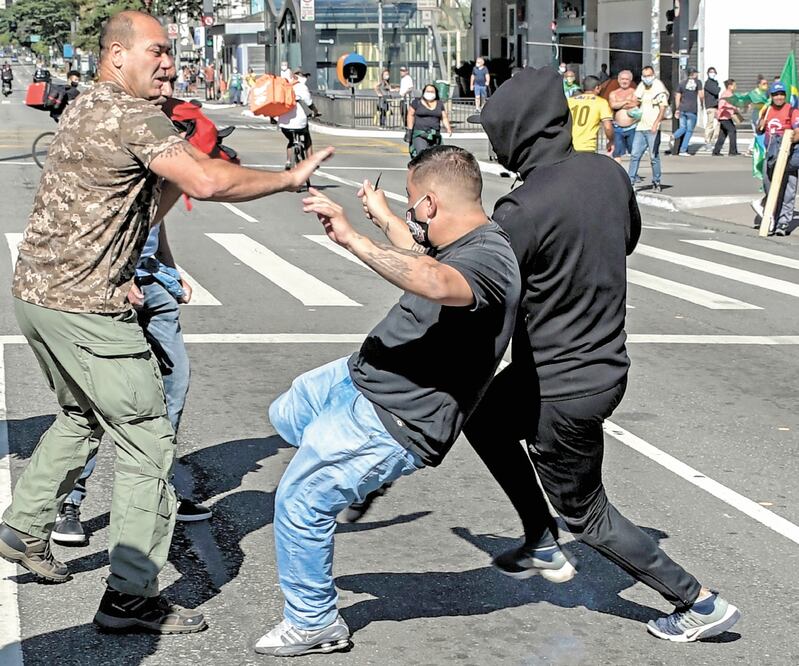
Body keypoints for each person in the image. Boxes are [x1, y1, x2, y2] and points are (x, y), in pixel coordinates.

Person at [0, 10, 332, 634]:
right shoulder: (132, 116)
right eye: (156, 51)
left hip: (38, 295)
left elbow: (122, 200)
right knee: (147, 437)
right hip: (84, 305)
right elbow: (204, 181)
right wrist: (288, 177)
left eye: (171, 53)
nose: (169, 64)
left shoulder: (85, 105)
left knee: (79, 417)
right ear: (116, 53)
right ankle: (130, 597)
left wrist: (127, 261)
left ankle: (23, 527)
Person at [467, 65, 741, 644]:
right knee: (487, 418)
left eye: (497, 139)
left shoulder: (521, 208)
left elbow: (484, 284)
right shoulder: (608, 174)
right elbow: (627, 239)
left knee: (586, 514)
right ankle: (539, 534)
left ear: (517, 135)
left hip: (561, 387)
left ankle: (698, 602)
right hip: (598, 366)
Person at [255, 145, 520, 656]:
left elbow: (437, 280)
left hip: (394, 418)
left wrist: (353, 240)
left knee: (299, 502)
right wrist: (379, 221)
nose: (410, 215)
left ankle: (314, 623)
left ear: (430, 203)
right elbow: (426, 258)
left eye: (410, 205)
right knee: (285, 413)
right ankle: (341, 473)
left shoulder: (490, 257)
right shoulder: (462, 241)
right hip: (358, 377)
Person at [50, 70, 219, 546]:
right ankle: (69, 503)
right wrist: (117, 277)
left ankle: (157, 490)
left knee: (172, 386)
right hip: (107, 288)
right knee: (99, 401)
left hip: (152, 283)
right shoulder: (107, 135)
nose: (167, 92)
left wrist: (170, 265)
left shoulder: (159, 142)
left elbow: (152, 218)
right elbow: (79, 224)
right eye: (160, 83)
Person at [756, 81, 799, 236]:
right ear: (771, 96)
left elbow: (798, 131)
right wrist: (760, 125)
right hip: (770, 155)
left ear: (785, 96)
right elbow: (760, 131)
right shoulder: (767, 110)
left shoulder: (792, 111)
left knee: (788, 190)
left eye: (781, 94)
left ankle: (783, 222)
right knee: (770, 188)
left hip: (788, 154)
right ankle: (770, 218)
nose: (779, 97)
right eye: (775, 95)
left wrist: (787, 141)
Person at [627, 65, 669, 191]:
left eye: (649, 75)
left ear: (653, 75)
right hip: (640, 126)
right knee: (635, 155)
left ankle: (656, 181)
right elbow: (635, 98)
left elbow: (663, 108)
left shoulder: (659, 88)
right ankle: (631, 182)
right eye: (644, 76)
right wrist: (632, 107)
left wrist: (656, 123)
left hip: (652, 128)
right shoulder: (642, 86)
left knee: (653, 156)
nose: (646, 78)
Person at [278, 70, 318, 169]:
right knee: (307, 136)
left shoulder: (282, 86)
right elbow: (309, 103)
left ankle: (288, 161)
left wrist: (273, 118)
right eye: (304, 76)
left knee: (291, 140)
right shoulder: (301, 87)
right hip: (299, 121)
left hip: (284, 122)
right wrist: (315, 111)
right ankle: (311, 161)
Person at [567, 75, 614, 154]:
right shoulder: (601, 102)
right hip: (587, 146)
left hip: (568, 145)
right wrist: (611, 141)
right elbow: (608, 127)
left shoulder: (570, 101)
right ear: (597, 87)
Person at [405, 83, 452, 158]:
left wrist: (448, 128)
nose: (430, 93)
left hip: (435, 135)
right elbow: (410, 115)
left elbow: (444, 117)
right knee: (422, 155)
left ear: (436, 93)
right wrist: (409, 130)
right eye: (428, 91)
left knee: (434, 157)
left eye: (432, 92)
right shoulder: (416, 102)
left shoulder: (439, 104)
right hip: (420, 134)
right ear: (423, 92)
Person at [671, 68, 704, 156]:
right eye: (696, 73)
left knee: (682, 127)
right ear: (693, 74)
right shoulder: (698, 82)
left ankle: (674, 136)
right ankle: (683, 150)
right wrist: (702, 104)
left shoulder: (682, 83)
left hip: (682, 108)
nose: (697, 74)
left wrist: (678, 108)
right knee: (689, 130)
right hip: (692, 109)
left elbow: (677, 97)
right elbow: (701, 95)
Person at [608, 69, 639, 163]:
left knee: (634, 153)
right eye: (622, 79)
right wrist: (626, 101)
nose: (624, 81)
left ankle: (632, 174)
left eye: (627, 79)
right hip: (617, 128)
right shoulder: (613, 93)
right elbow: (613, 105)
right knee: (617, 154)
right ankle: (618, 174)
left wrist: (619, 104)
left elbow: (635, 104)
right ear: (618, 80)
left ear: (630, 80)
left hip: (632, 127)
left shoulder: (635, 92)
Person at [712, 79, 740, 156]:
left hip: (727, 117)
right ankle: (732, 151)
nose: (735, 86)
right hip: (723, 117)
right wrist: (719, 115)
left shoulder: (730, 94)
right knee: (732, 131)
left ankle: (716, 151)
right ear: (729, 86)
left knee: (723, 134)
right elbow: (721, 104)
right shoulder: (726, 94)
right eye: (734, 85)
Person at [704, 67, 720, 147]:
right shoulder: (708, 83)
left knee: (718, 124)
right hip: (710, 106)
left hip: (716, 106)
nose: (712, 73)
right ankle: (707, 141)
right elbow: (716, 91)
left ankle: (714, 139)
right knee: (710, 124)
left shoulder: (715, 82)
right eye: (710, 72)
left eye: (713, 72)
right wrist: (719, 88)